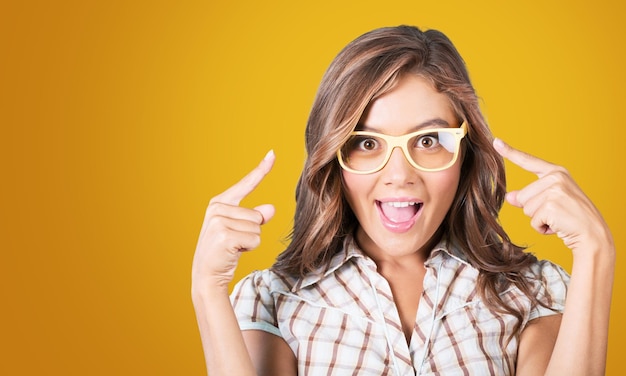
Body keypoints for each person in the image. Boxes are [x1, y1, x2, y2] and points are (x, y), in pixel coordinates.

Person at [191, 25, 614, 375]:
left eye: (428, 140)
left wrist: (596, 251)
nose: (399, 175)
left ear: (465, 151)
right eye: (368, 142)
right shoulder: (274, 299)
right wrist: (208, 290)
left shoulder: (531, 292)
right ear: (334, 156)